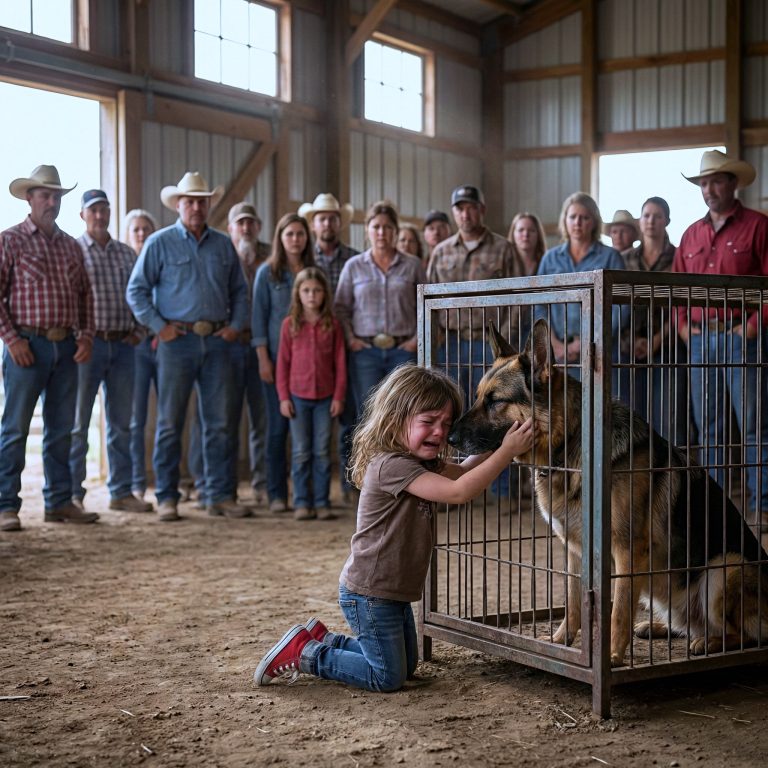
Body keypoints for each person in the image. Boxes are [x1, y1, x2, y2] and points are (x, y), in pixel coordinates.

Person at [253, 363, 533, 690]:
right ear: (393, 420)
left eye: (445, 424)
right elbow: (460, 491)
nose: (440, 432)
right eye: (428, 422)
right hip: (371, 593)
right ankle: (307, 654)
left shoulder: (419, 462)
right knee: (386, 676)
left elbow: (461, 472)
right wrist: (507, 453)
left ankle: (323, 639)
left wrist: (499, 443)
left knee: (405, 665)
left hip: (392, 590)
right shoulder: (392, 465)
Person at [126, 171, 249, 522]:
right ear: (178, 205)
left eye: (201, 201)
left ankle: (218, 494)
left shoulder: (223, 244)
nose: (196, 207)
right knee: (170, 421)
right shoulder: (159, 243)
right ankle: (167, 496)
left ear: (209, 204)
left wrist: (235, 327)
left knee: (219, 423)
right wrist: (158, 327)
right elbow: (135, 290)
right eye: (190, 201)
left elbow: (240, 291)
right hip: (176, 342)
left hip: (216, 341)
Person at [673, 149, 768, 533]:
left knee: (754, 425)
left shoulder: (758, 227)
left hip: (740, 337)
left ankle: (761, 506)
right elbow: (675, 288)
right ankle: (716, 509)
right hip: (699, 340)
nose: (709, 189)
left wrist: (751, 327)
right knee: (708, 427)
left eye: (716, 181)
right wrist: (682, 327)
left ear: (732, 183)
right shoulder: (690, 234)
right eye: (703, 183)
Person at [0, 165, 97, 532]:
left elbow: (86, 297)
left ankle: (58, 501)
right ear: (30, 198)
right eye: (45, 195)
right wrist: (12, 339)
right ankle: (6, 505)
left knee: (62, 429)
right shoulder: (10, 240)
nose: (52, 201)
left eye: (56, 196)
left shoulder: (71, 246)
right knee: (15, 429)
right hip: (27, 345)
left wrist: (86, 336)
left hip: (66, 347)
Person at [69, 190, 151, 514]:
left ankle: (120, 492)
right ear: (82, 215)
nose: (100, 216)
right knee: (78, 423)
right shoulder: (74, 251)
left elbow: (140, 293)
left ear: (110, 213)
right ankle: (72, 495)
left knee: (122, 424)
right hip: (87, 347)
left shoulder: (126, 254)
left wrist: (140, 332)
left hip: (123, 345)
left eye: (104, 210)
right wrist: (78, 338)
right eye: (93, 211)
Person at [334, 201, 426, 419]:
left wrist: (415, 340)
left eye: (387, 227)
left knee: (404, 412)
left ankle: (401, 455)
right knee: (368, 414)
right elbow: (340, 308)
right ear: (367, 230)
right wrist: (351, 339)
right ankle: (370, 455)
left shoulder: (412, 265)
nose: (381, 232)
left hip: (403, 349)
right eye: (376, 226)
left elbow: (426, 306)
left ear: (395, 231)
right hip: (365, 351)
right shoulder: (354, 266)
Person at [252, 213, 315, 514]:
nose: (295, 239)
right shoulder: (267, 273)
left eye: (300, 234)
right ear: (280, 238)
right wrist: (263, 358)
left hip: (309, 366)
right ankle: (277, 492)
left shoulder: (314, 273)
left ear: (306, 238)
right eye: (289, 234)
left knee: (310, 437)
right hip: (277, 363)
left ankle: (310, 496)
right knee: (276, 430)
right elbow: (258, 319)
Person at [299, 193, 359, 504]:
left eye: (333, 218)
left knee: (351, 415)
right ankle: (309, 494)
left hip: (347, 343)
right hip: (313, 349)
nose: (328, 223)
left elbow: (350, 306)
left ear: (339, 223)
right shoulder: (305, 262)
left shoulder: (353, 258)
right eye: (322, 218)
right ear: (314, 224)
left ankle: (351, 482)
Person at [276, 267, 346, 521]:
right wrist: (284, 397)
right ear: (298, 294)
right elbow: (282, 364)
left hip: (326, 399)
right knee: (301, 452)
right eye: (306, 290)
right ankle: (302, 502)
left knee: (322, 452)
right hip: (297, 398)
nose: (312, 295)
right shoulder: (289, 325)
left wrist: (338, 396)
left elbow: (340, 364)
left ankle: (322, 501)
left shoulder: (333, 325)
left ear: (324, 294)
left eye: (316, 290)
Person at [622, 197, 690, 446]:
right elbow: (617, 307)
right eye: (647, 215)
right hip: (628, 348)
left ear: (667, 221)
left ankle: (673, 475)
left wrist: (656, 340)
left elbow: (682, 302)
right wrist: (633, 341)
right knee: (632, 417)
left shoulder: (679, 257)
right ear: (640, 221)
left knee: (670, 418)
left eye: (657, 216)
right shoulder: (625, 258)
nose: (651, 221)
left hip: (668, 346)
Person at [535, 192, 627, 371]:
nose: (577, 223)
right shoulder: (550, 258)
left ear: (593, 222)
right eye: (573, 217)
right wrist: (553, 343)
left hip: (600, 351)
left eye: (584, 217)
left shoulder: (611, 257)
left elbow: (620, 309)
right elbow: (539, 305)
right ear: (565, 220)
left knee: (601, 399)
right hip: (559, 353)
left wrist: (589, 342)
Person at [123, 209, 162, 502]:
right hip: (134, 347)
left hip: (164, 343)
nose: (141, 233)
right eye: (136, 229)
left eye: (146, 228)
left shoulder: (161, 260)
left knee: (168, 415)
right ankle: (137, 481)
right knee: (135, 418)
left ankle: (168, 481)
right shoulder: (123, 263)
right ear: (128, 234)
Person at [507, 211, 547, 344]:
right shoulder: (505, 263)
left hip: (539, 325)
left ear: (538, 235)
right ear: (513, 234)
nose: (526, 234)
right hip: (509, 327)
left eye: (531, 230)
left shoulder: (547, 262)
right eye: (520, 230)